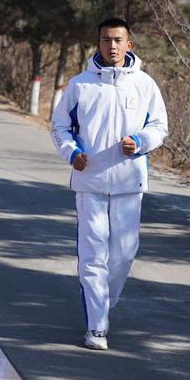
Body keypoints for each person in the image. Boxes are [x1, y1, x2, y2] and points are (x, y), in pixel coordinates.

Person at [51, 18, 168, 351]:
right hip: (90, 182)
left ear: (129, 45)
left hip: (130, 183)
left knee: (124, 255)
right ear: (98, 44)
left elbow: (160, 126)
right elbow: (59, 126)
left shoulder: (145, 85)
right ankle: (96, 326)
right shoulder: (80, 85)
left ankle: (102, 300)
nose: (112, 46)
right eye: (106, 40)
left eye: (118, 40)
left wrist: (141, 141)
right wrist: (71, 153)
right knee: (94, 256)